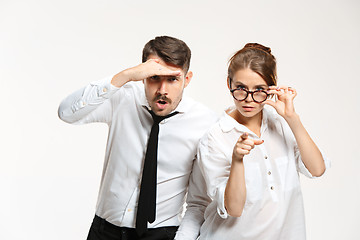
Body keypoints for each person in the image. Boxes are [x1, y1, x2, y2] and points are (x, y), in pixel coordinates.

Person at [58, 36, 217, 240]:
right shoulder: (123, 98)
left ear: (187, 79)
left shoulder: (205, 123)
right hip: (104, 232)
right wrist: (125, 76)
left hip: (161, 235)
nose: (162, 90)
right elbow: (66, 112)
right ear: (143, 76)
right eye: (153, 77)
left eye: (172, 79)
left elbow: (198, 202)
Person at [197, 43, 330, 240]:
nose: (248, 99)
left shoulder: (282, 124)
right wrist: (237, 160)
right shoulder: (216, 136)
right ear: (229, 84)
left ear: (272, 88)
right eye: (240, 88)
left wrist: (292, 119)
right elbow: (233, 208)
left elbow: (317, 169)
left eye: (259, 90)